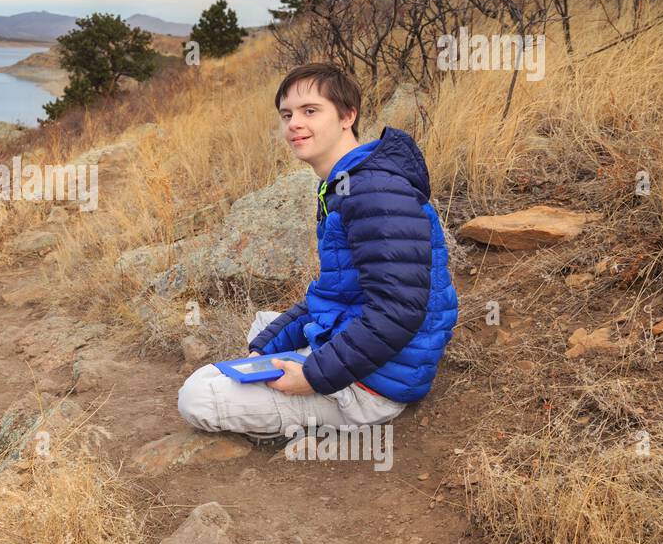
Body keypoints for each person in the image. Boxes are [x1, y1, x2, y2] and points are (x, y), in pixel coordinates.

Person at [177, 62, 459, 442]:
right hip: (364, 352)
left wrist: (312, 376)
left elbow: (398, 310)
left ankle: (307, 415)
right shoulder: (343, 184)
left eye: (310, 111)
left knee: (196, 397)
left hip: (376, 385)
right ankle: (276, 383)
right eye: (287, 114)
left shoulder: (373, 191)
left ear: (347, 116)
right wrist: (262, 350)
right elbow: (336, 293)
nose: (294, 123)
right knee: (262, 329)